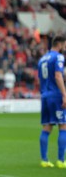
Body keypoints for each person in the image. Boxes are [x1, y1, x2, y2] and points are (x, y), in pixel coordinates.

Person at [38, 35, 66, 169]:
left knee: (47, 127)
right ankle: (61, 161)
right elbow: (58, 75)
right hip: (55, 95)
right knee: (63, 125)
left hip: (45, 95)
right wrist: (64, 94)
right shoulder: (59, 57)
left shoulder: (42, 59)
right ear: (60, 44)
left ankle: (44, 160)